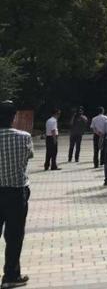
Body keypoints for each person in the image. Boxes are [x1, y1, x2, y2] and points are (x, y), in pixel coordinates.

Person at [0, 101, 34, 289]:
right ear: (13, 117)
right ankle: (11, 276)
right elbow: (28, 158)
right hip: (16, 192)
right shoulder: (24, 137)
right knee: (14, 236)